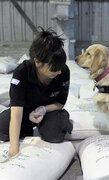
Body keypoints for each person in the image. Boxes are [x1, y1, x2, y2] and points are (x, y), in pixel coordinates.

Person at [0, 27, 73, 156]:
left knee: (54, 134)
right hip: (24, 112)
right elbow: (16, 113)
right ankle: (26, 129)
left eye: (60, 67)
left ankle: (46, 126)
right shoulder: (22, 73)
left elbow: (60, 103)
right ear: (37, 62)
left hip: (48, 112)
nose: (59, 72)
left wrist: (43, 109)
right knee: (3, 129)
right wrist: (14, 148)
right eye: (54, 69)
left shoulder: (63, 71)